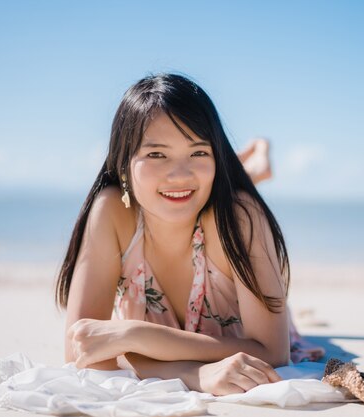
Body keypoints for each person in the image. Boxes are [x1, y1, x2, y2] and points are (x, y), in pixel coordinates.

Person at [55, 73, 323, 396]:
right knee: (191, 187)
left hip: (244, 273)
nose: (179, 172)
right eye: (156, 154)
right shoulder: (113, 211)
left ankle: (254, 164)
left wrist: (133, 335)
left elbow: (274, 351)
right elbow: (80, 350)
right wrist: (195, 375)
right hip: (199, 201)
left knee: (231, 193)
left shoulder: (239, 218)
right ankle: (248, 168)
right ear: (123, 164)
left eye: (198, 152)